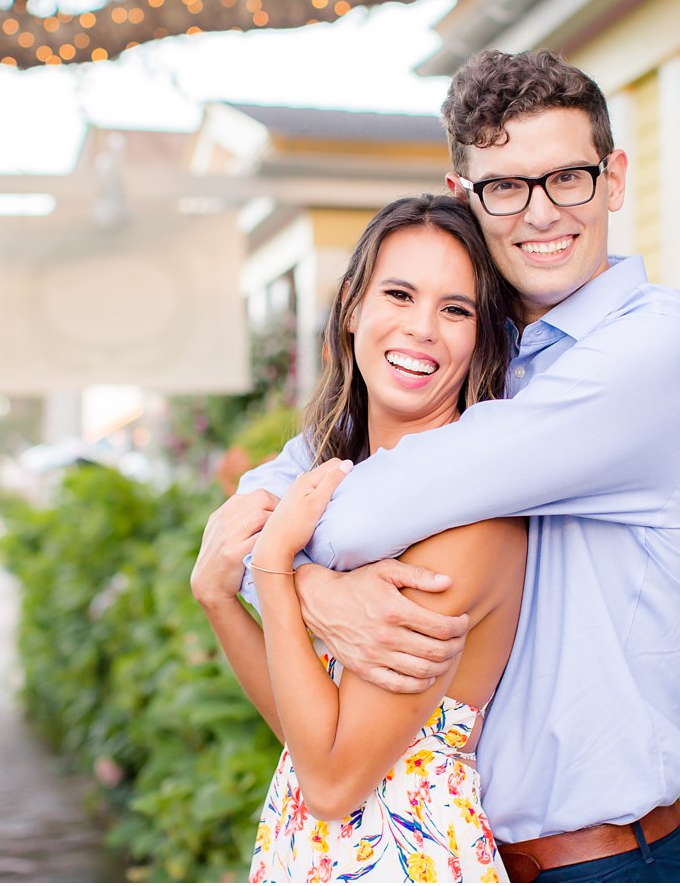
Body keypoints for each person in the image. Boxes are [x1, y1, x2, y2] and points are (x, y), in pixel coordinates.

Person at [199, 49, 680, 882]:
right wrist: (297, 573)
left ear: (614, 177)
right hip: (468, 850)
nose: (541, 212)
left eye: (569, 178)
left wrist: (288, 576)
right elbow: (283, 478)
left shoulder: (647, 353)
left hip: (609, 862)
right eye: (506, 187)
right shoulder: (481, 358)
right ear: (466, 198)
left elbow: (359, 503)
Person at [192, 194, 526, 883]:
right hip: (323, 850)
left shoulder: (470, 515)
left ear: (481, 338)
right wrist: (219, 599)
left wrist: (279, 567)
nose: (422, 328)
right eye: (399, 294)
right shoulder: (340, 482)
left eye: (455, 309)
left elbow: (336, 781)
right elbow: (304, 732)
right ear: (352, 308)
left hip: (412, 857)